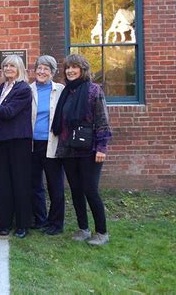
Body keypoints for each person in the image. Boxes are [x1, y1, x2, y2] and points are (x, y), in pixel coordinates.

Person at [51, 54, 112, 246]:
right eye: (67, 67)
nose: (70, 71)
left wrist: (102, 147)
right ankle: (83, 229)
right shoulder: (66, 92)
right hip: (69, 149)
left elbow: (102, 121)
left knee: (90, 190)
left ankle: (101, 232)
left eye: (74, 67)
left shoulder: (94, 90)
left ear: (82, 69)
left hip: (89, 149)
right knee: (76, 190)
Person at [0, 55, 32, 238]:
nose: (8, 68)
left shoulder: (23, 89)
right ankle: (4, 224)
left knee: (20, 183)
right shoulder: (2, 87)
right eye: (5, 65)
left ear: (19, 68)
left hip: (19, 142)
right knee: (3, 183)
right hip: (2, 140)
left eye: (12, 65)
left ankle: (22, 225)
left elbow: (9, 112)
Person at [30, 55, 65, 236]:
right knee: (35, 184)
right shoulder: (29, 90)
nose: (42, 72)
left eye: (46, 69)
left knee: (55, 185)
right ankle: (40, 219)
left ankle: (56, 223)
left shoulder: (60, 90)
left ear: (52, 73)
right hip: (33, 144)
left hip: (53, 144)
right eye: (39, 68)